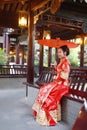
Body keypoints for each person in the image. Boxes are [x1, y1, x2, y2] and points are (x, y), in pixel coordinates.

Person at [32, 45, 70, 126]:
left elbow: (65, 76)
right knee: (43, 89)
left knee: (49, 94)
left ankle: (50, 118)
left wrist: (57, 76)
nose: (58, 54)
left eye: (60, 52)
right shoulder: (61, 61)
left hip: (63, 85)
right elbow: (59, 72)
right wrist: (56, 67)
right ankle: (42, 114)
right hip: (58, 83)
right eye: (57, 52)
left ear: (65, 53)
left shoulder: (66, 62)